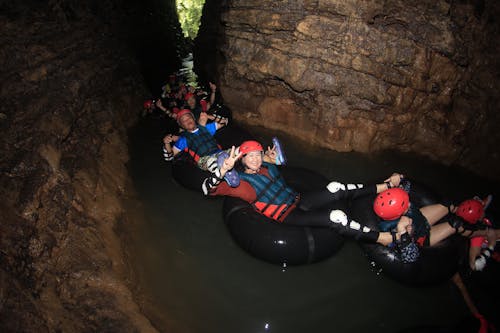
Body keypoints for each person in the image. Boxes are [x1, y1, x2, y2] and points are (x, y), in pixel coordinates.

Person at [201, 140, 406, 246]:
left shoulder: (265, 163)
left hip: (298, 198)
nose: (255, 159)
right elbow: (207, 189)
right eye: (249, 156)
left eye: (257, 155)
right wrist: (223, 170)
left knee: (336, 188)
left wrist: (272, 157)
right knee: (336, 217)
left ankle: (386, 186)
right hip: (287, 215)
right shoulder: (240, 185)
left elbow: (274, 161)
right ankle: (382, 238)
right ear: (242, 160)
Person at [373, 182, 500, 263]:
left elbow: (405, 185)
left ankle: (472, 211)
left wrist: (398, 178)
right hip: (422, 237)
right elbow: (411, 256)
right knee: (457, 225)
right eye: (406, 204)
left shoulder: (398, 205)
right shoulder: (394, 232)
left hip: (420, 219)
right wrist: (405, 233)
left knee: (448, 204)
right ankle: (488, 233)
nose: (409, 203)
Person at [162, 108, 240, 186]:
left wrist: (209, 117)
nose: (188, 120)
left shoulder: (207, 128)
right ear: (182, 126)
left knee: (242, 149)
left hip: (220, 153)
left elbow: (225, 122)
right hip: (204, 160)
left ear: (194, 119)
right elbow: (170, 157)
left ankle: (232, 171)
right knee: (216, 160)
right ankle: (228, 176)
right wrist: (167, 144)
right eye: (184, 120)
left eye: (189, 117)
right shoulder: (183, 140)